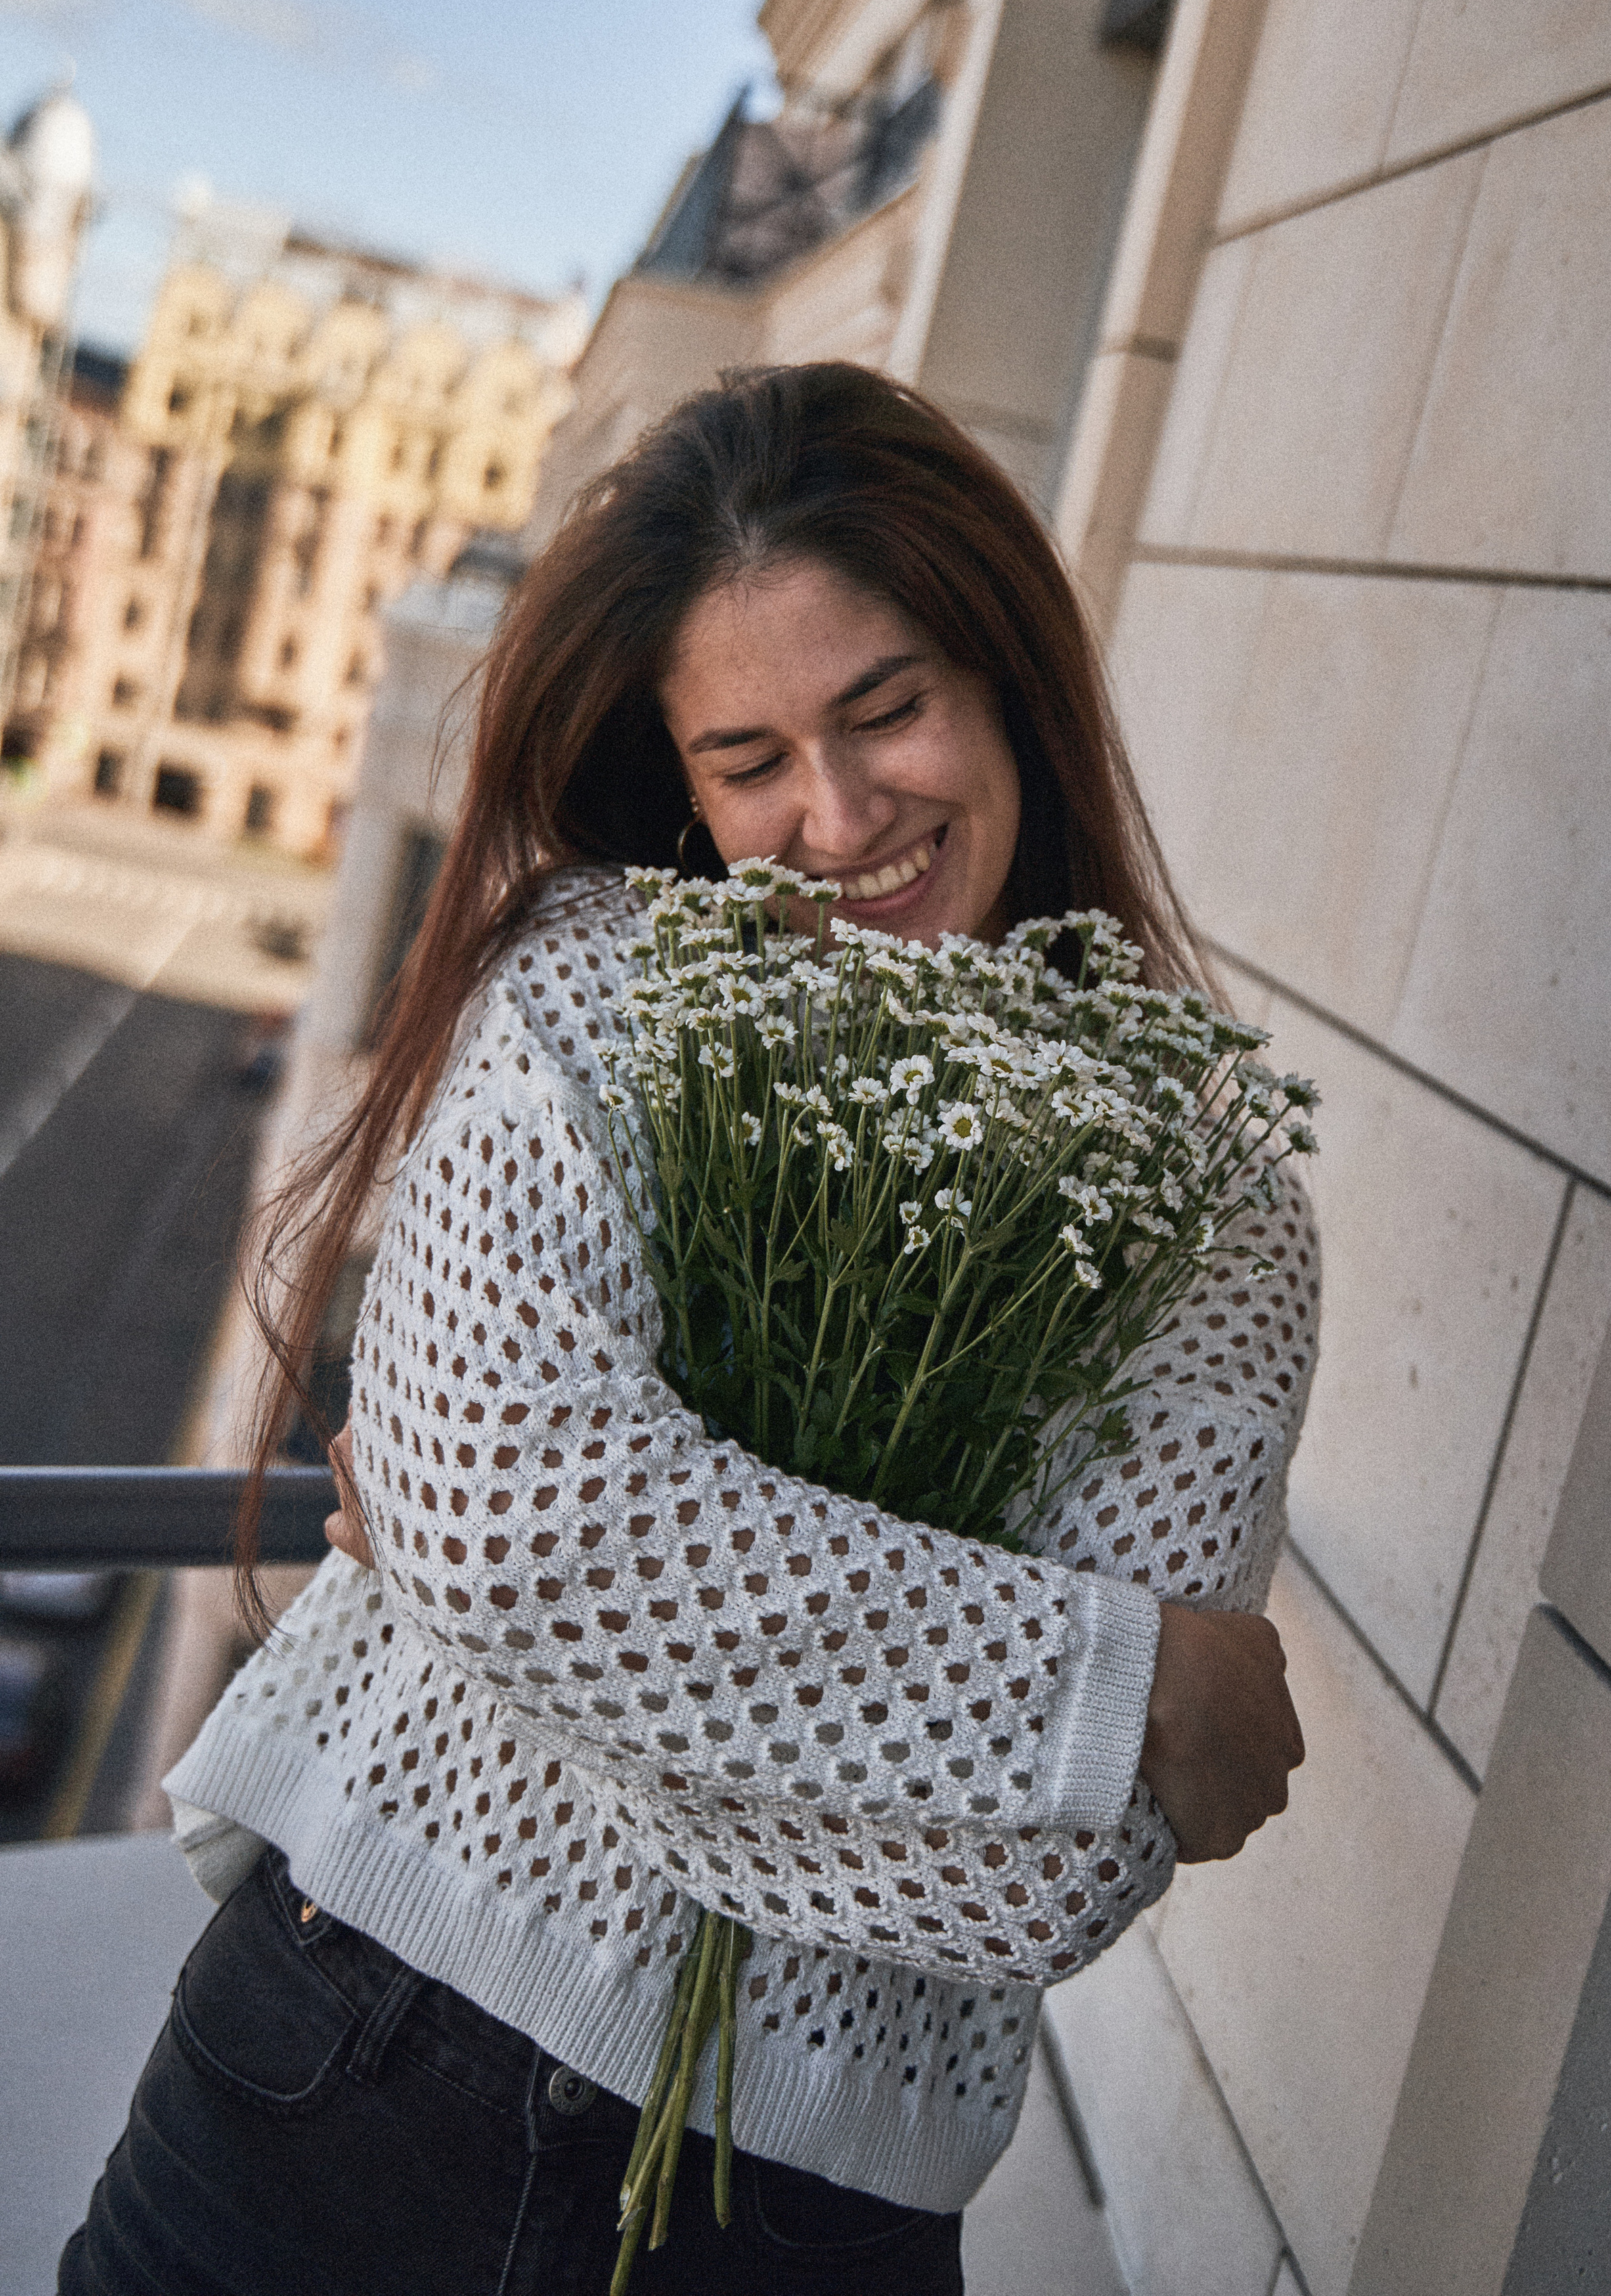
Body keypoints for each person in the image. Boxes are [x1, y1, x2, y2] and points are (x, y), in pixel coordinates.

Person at [62, 364, 1315, 2296]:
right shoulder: (594, 989)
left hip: (804, 2216)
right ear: (685, 777)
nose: (837, 816)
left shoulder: (1210, 1219)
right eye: (750, 760)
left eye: (888, 707)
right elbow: (507, 1517)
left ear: (1008, 686)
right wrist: (1115, 1691)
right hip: (342, 2060)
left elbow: (1040, 1878)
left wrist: (514, 1618)